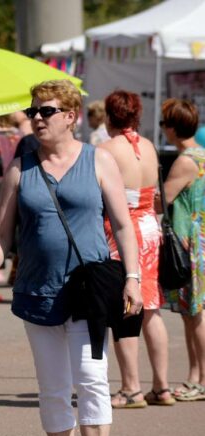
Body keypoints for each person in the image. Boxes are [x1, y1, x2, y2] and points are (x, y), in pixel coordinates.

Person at [0, 80, 143, 436]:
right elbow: (2, 230)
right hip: (38, 291)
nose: (36, 117)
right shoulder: (20, 167)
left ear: (71, 117)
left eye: (46, 111)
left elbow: (123, 225)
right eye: (33, 110)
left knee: (91, 382)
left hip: (90, 291)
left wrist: (133, 277)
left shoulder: (99, 160)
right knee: (53, 387)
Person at [100, 90, 174, 408]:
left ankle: (130, 386)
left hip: (121, 229)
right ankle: (162, 385)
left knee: (125, 308)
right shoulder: (149, 146)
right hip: (149, 226)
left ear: (108, 116)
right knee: (151, 309)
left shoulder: (106, 149)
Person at [159, 98, 205, 402]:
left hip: (189, 244)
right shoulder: (200, 155)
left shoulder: (186, 161)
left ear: (173, 128)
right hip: (199, 240)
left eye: (164, 123)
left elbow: (161, 201)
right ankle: (194, 376)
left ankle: (200, 378)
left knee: (195, 314)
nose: (162, 128)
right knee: (193, 314)